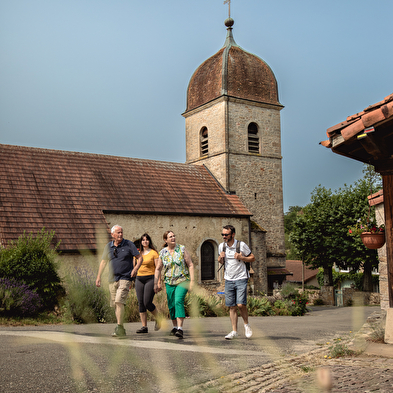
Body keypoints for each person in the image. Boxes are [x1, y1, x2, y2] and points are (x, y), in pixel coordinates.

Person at [96, 225, 143, 337]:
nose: (120, 234)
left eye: (121, 232)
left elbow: (139, 257)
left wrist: (135, 269)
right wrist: (98, 277)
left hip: (125, 277)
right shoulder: (108, 246)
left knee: (118, 301)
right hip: (112, 279)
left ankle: (119, 328)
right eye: (118, 232)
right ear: (112, 235)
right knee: (115, 304)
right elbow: (103, 262)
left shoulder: (129, 244)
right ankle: (120, 327)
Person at [154, 231, 194, 339]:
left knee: (178, 301)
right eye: (170, 237)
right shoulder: (162, 253)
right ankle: (175, 327)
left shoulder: (182, 249)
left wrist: (192, 281)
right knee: (171, 305)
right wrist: (155, 283)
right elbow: (158, 269)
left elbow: (190, 265)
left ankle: (180, 329)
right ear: (165, 240)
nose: (173, 238)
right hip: (169, 282)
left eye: (174, 236)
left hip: (183, 280)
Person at [218, 224, 255, 340]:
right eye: (222, 234)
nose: (224, 236)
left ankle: (246, 325)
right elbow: (219, 260)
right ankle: (234, 331)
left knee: (240, 304)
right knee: (232, 306)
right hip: (228, 279)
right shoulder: (221, 247)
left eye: (226, 234)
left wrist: (242, 257)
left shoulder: (241, 245)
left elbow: (252, 257)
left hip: (241, 277)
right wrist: (220, 258)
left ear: (232, 234)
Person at [135, 233, 161, 333]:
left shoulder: (154, 253)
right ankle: (144, 327)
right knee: (141, 303)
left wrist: (158, 282)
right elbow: (134, 267)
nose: (145, 241)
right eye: (143, 240)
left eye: (146, 239)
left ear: (149, 241)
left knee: (147, 302)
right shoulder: (138, 254)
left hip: (150, 279)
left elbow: (158, 268)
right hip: (139, 279)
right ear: (141, 242)